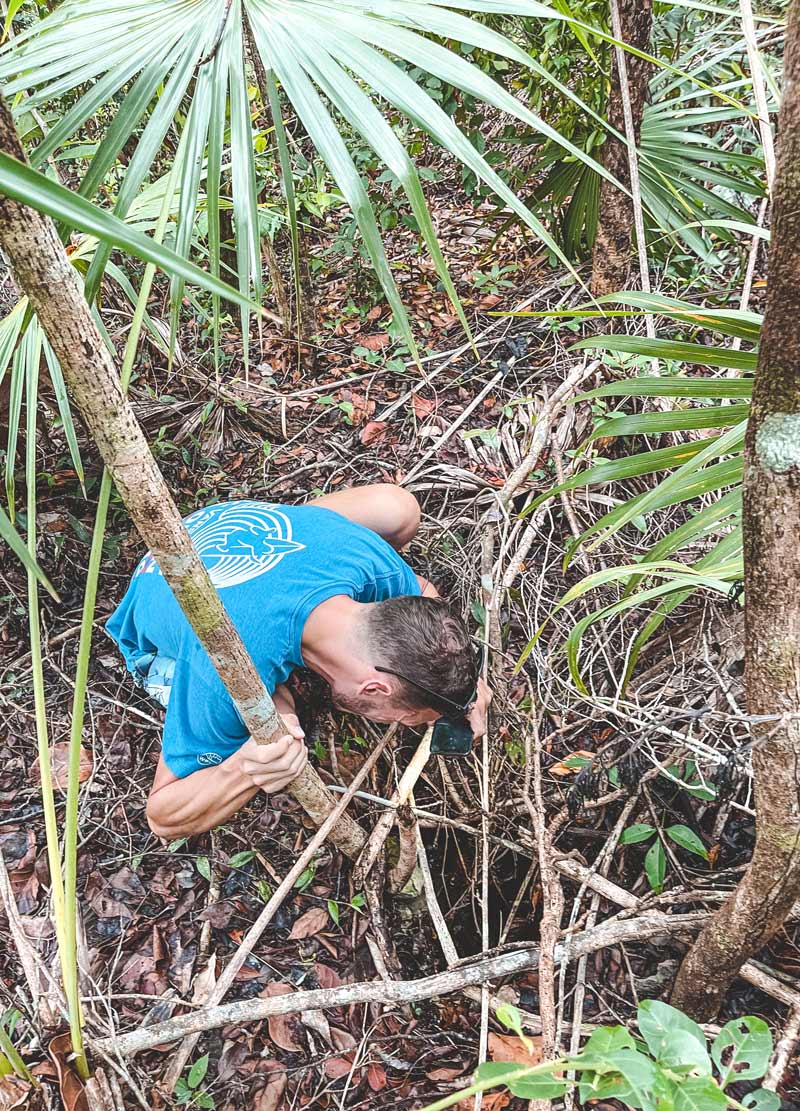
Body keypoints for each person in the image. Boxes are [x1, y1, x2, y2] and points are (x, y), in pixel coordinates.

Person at [106, 484, 490, 839]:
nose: (399, 724)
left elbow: (427, 597)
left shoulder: (370, 562)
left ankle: (292, 544)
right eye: (402, 719)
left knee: (398, 509)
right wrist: (245, 769)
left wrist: (464, 683)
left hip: (226, 532)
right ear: (374, 687)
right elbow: (163, 815)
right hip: (158, 596)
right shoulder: (227, 663)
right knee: (276, 721)